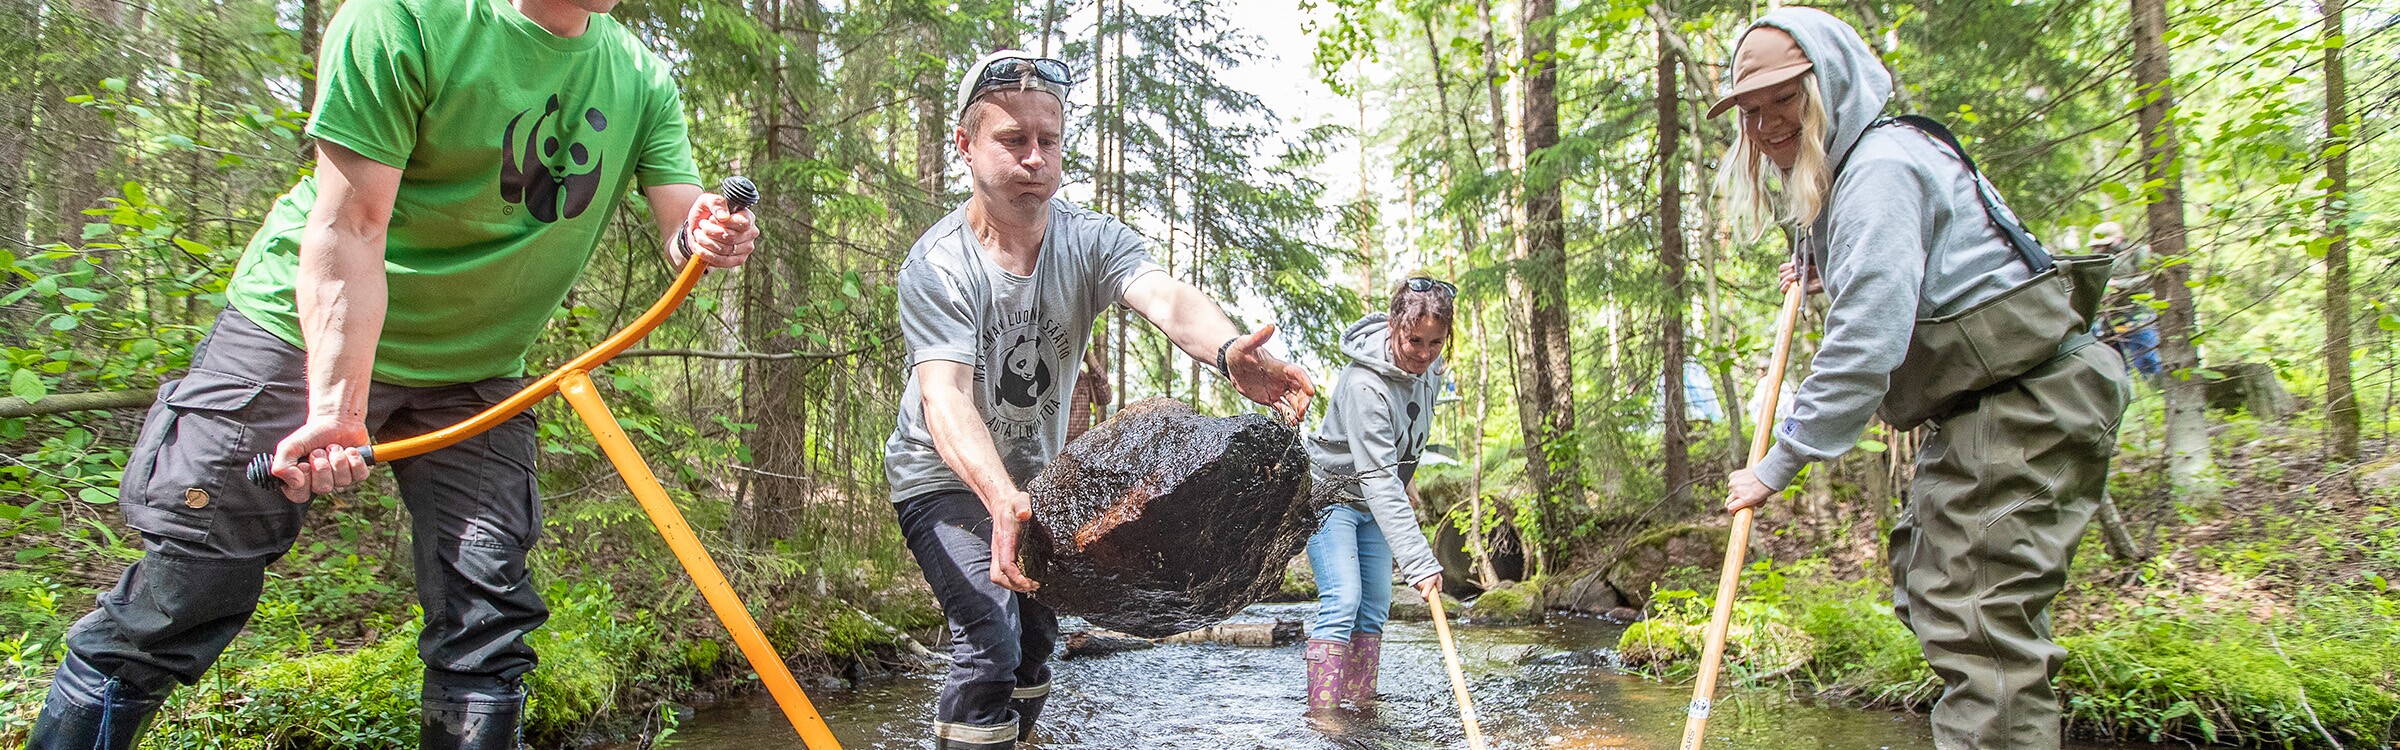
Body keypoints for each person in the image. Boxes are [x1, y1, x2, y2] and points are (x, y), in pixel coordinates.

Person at [22, 1, 758, 747]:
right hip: (297, 342)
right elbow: (350, 226)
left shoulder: (638, 72)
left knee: (487, 626)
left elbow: (679, 218)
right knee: (183, 595)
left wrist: (703, 231)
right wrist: (339, 404)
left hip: (478, 372)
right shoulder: (401, 18)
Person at [1710, 9, 2129, 750]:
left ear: (1829, 85)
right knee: (1935, 584)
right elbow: (1913, 268)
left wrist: (1776, 464)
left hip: (2026, 402)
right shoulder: (1863, 167)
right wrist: (1819, 264)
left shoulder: (1878, 172)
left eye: (1787, 98)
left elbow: (1864, 343)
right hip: (1995, 406)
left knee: (1979, 621)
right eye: (1752, 109)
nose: (1769, 122)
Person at [886, 49, 1315, 750]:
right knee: (991, 635)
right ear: (965, 146)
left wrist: (1228, 350)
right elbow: (945, 398)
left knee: (1035, 644)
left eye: (1047, 141)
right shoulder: (938, 265)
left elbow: (1165, 296)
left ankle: (1017, 740)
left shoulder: (1088, 239)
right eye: (1012, 140)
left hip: (1042, 481)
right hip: (944, 478)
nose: (1034, 158)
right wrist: (999, 497)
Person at [1300, 276, 1454, 718]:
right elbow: (1377, 478)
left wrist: (1405, 474)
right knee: (1344, 601)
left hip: (1376, 498)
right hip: (1331, 497)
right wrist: (1420, 561)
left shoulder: (1432, 372)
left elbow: (1408, 434)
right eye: (1414, 340)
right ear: (1392, 326)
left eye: (1435, 342)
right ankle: (1325, 719)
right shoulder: (1364, 384)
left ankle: (1362, 712)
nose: (1424, 353)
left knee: (1373, 611)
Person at [2086, 222, 2162, 377]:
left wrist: (2118, 284)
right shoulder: (2096, 259)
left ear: (2119, 239)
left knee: (2147, 360)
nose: (2100, 248)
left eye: (2105, 244)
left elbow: (2148, 280)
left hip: (2137, 315)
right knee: (2115, 366)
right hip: (2109, 320)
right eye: (2098, 246)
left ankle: (2159, 392)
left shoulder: (2138, 252)